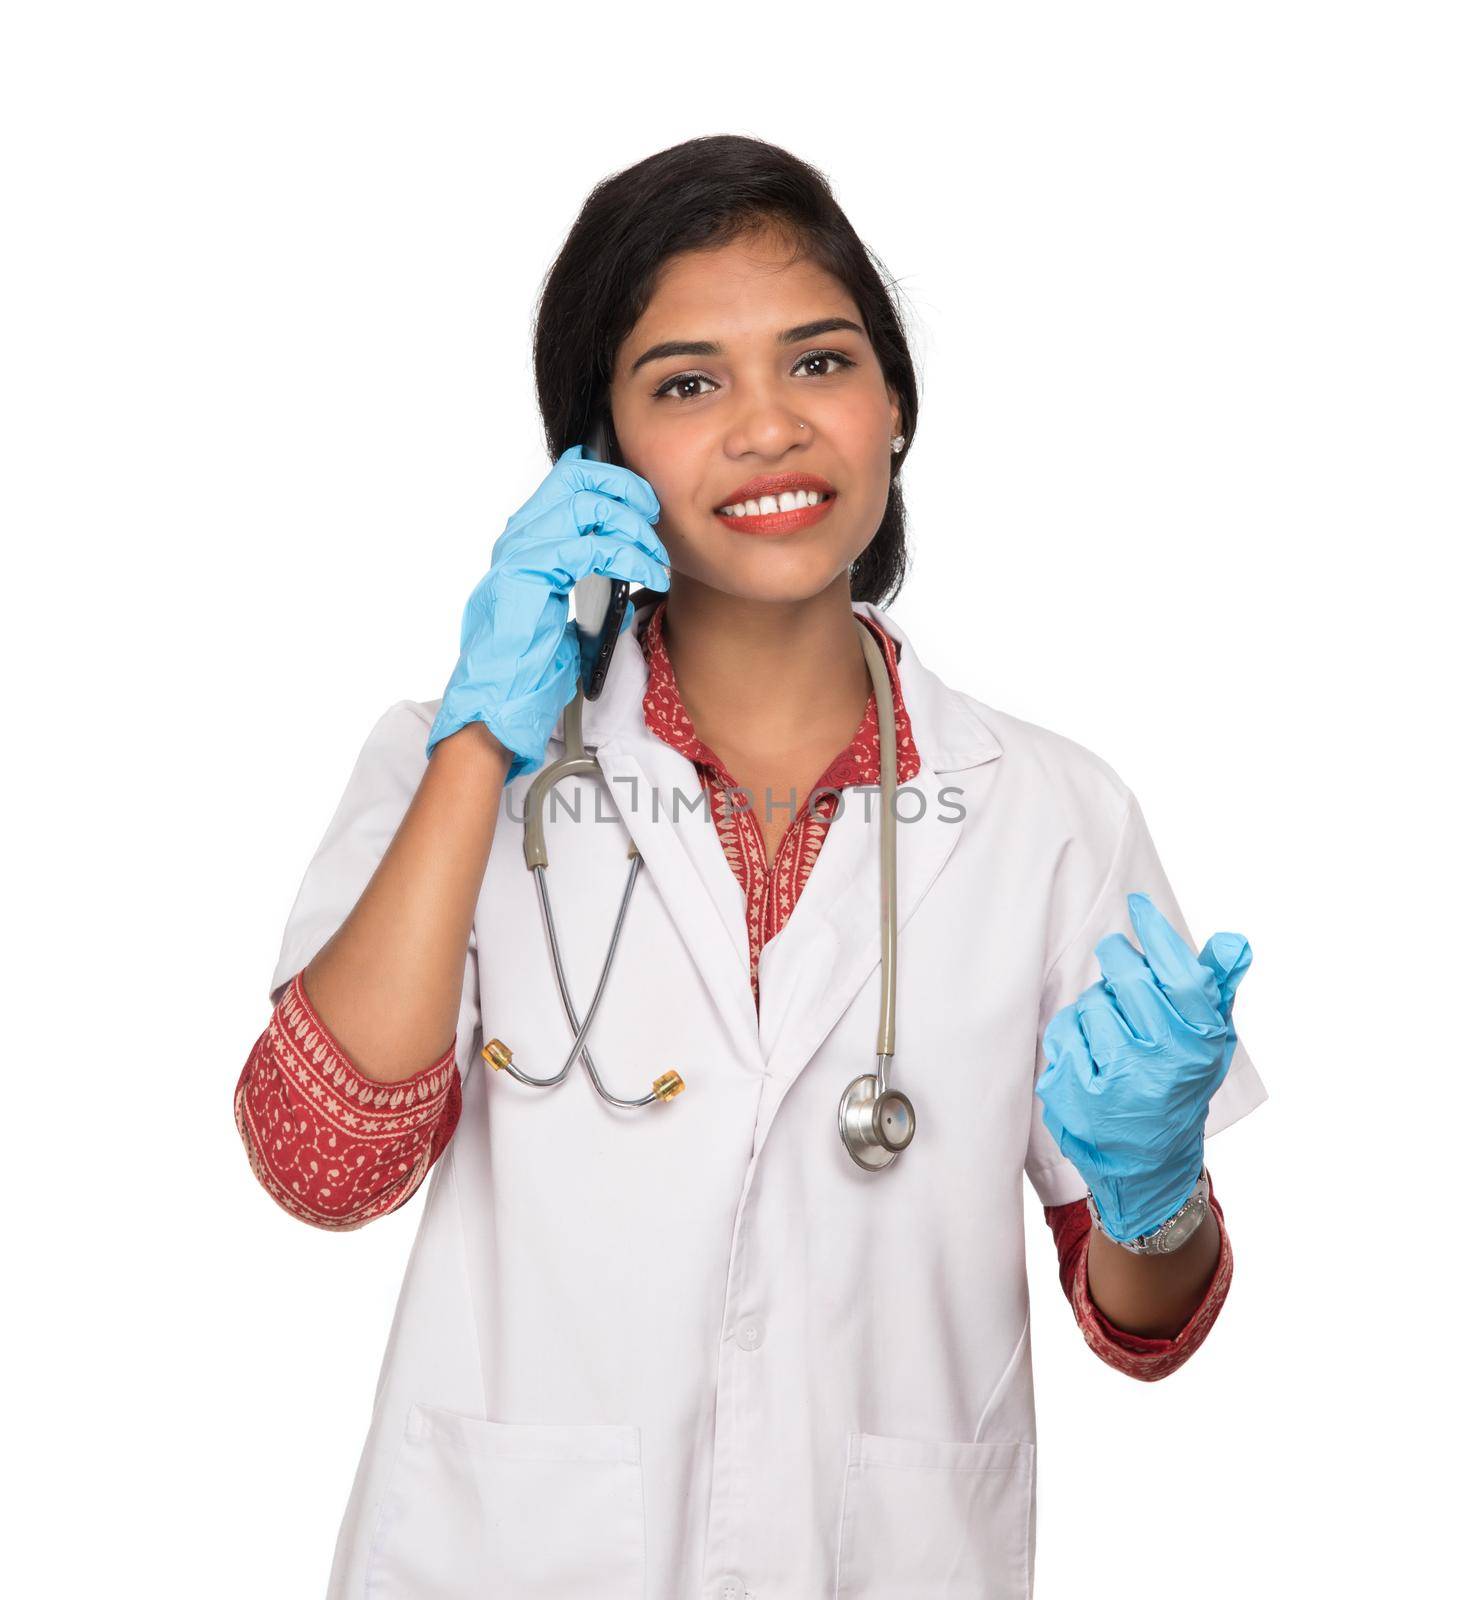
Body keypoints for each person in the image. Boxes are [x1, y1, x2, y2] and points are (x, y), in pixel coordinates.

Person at [234, 134, 1266, 1599]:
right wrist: (483, 742)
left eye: (821, 364)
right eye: (688, 383)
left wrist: (1155, 1188)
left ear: (895, 407)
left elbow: (1144, 1318)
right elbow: (323, 1165)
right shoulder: (445, 771)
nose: (771, 426)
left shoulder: (1051, 813)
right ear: (599, 455)